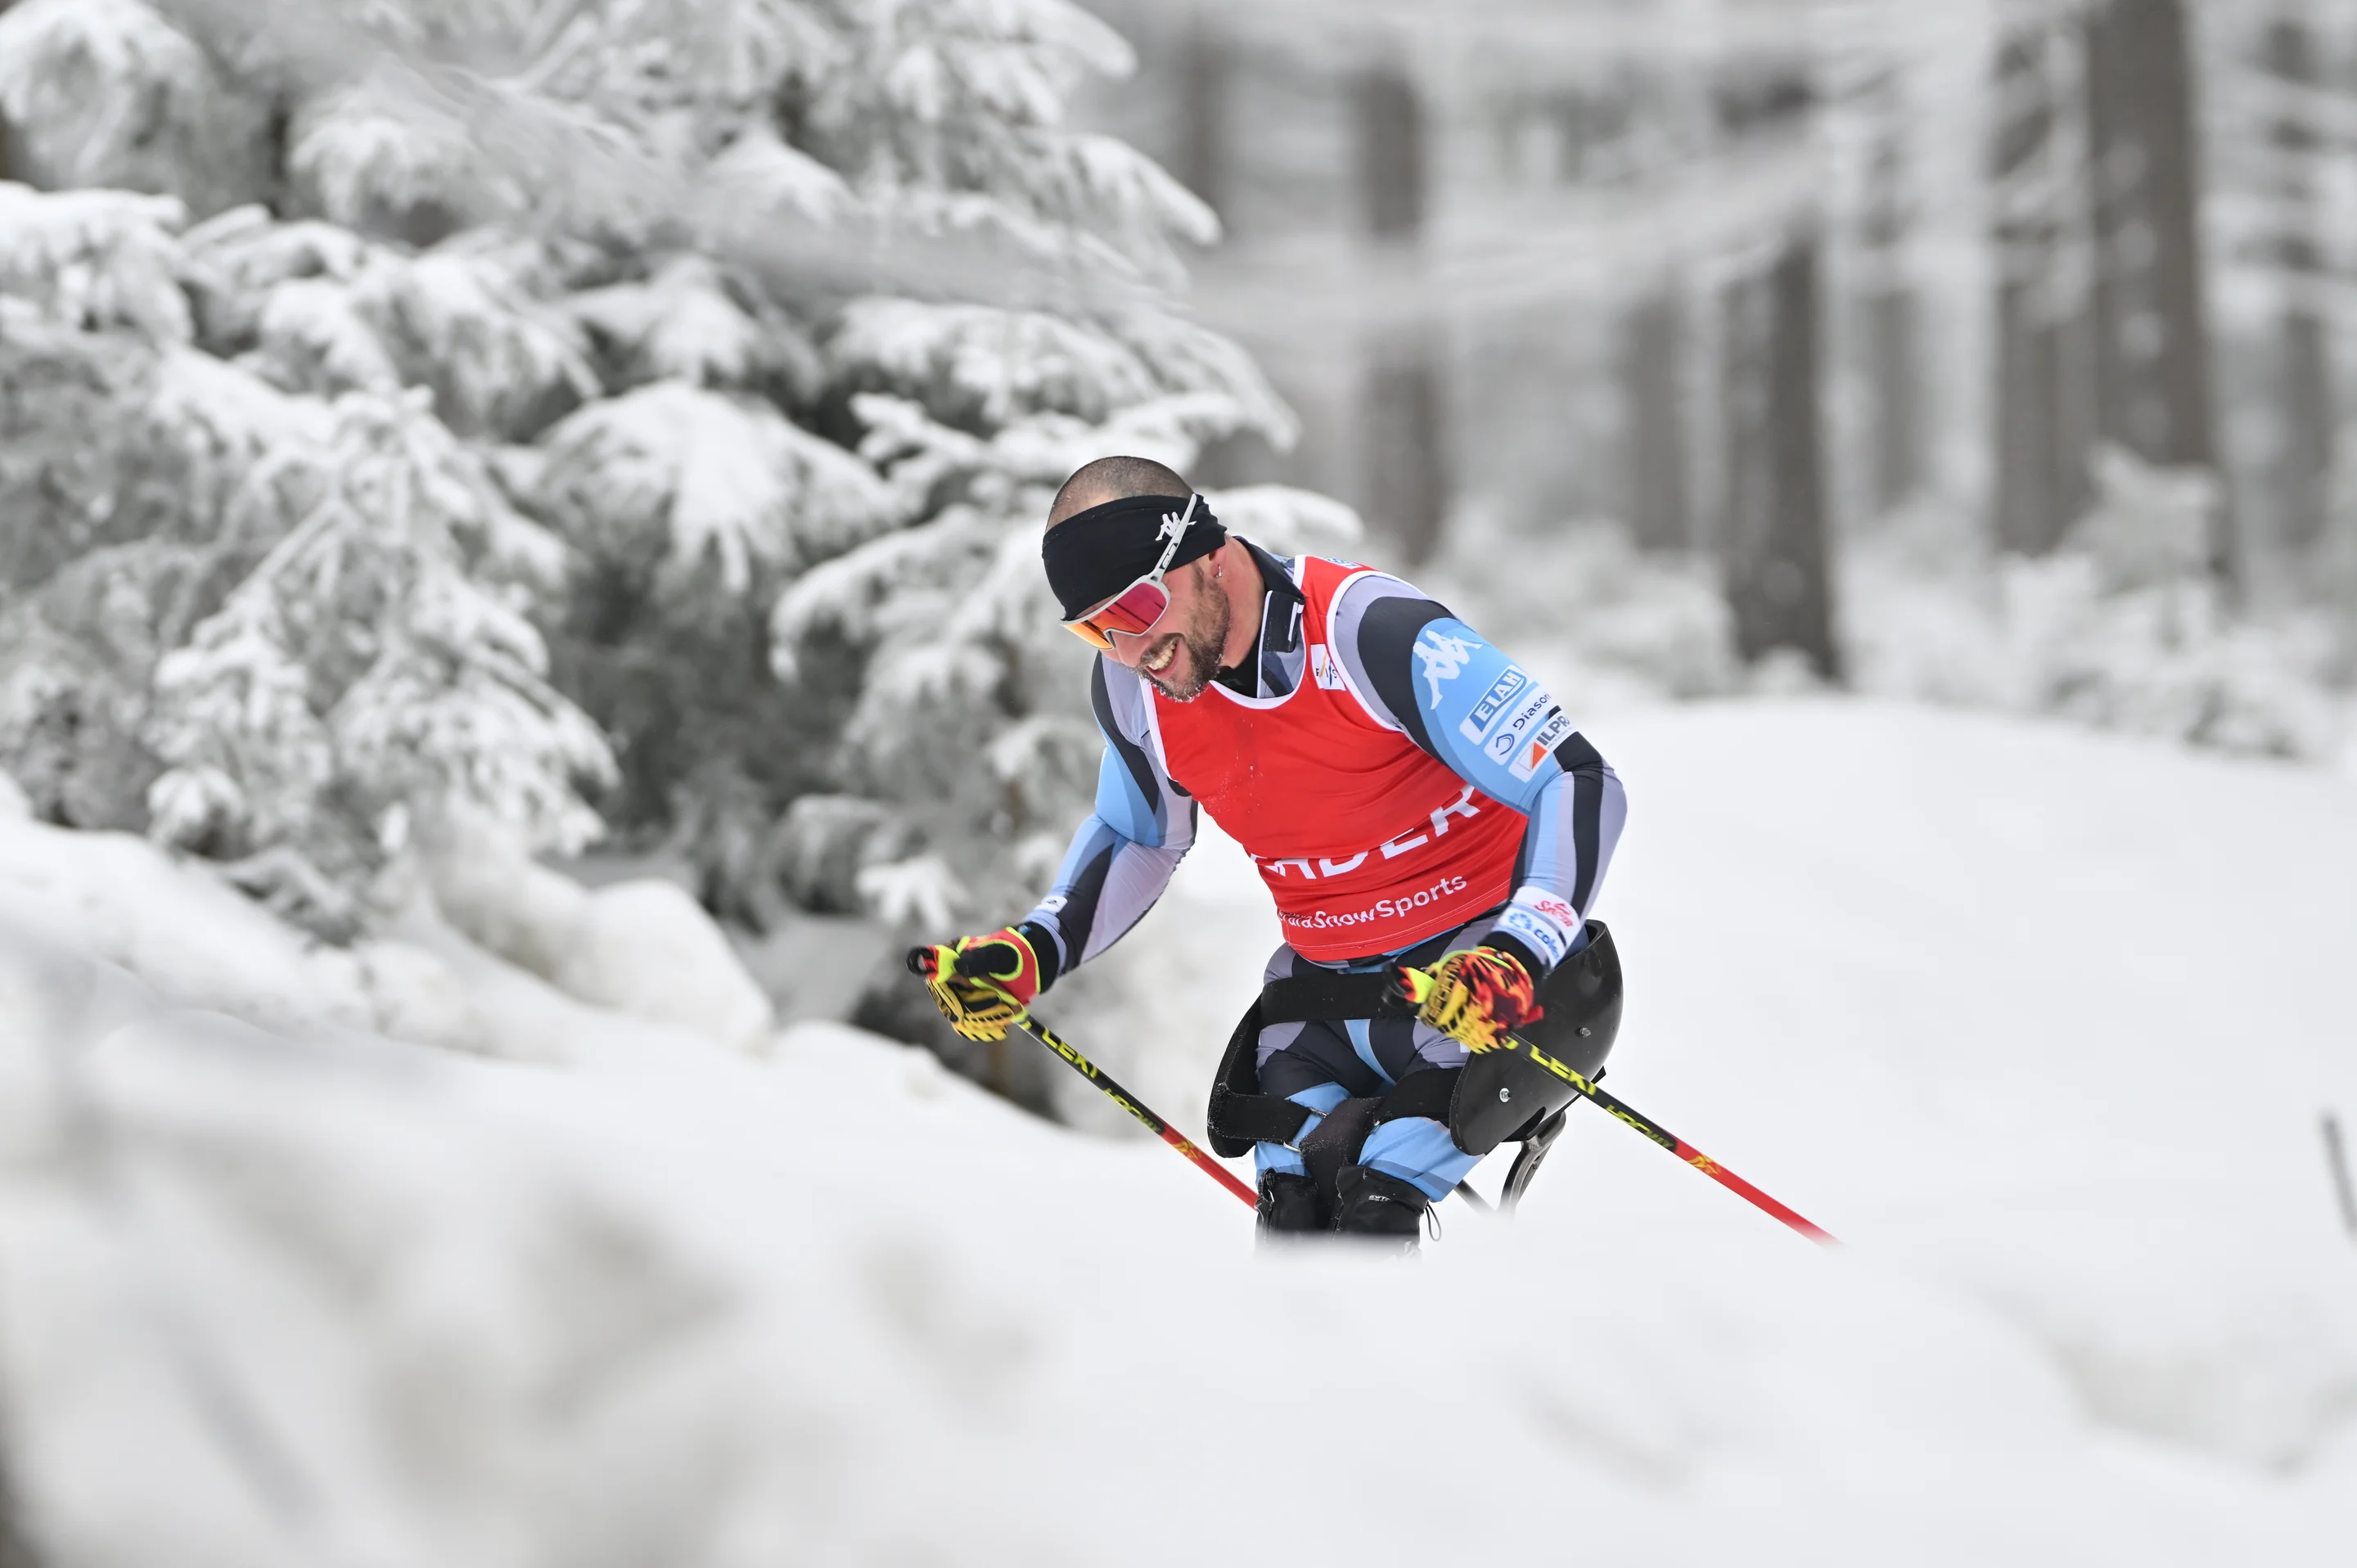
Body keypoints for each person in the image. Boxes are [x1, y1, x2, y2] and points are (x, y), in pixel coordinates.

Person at [913, 456, 1626, 1246]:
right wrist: (1033, 949)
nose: (1129, 648)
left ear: (1209, 554)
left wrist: (1519, 949)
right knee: (1295, 1236)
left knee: (1375, 1218)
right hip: (1324, 1006)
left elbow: (1576, 777)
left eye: (1140, 606)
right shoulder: (1132, 689)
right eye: (1095, 628)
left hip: (1484, 987)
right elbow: (1140, 833)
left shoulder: (1367, 634)